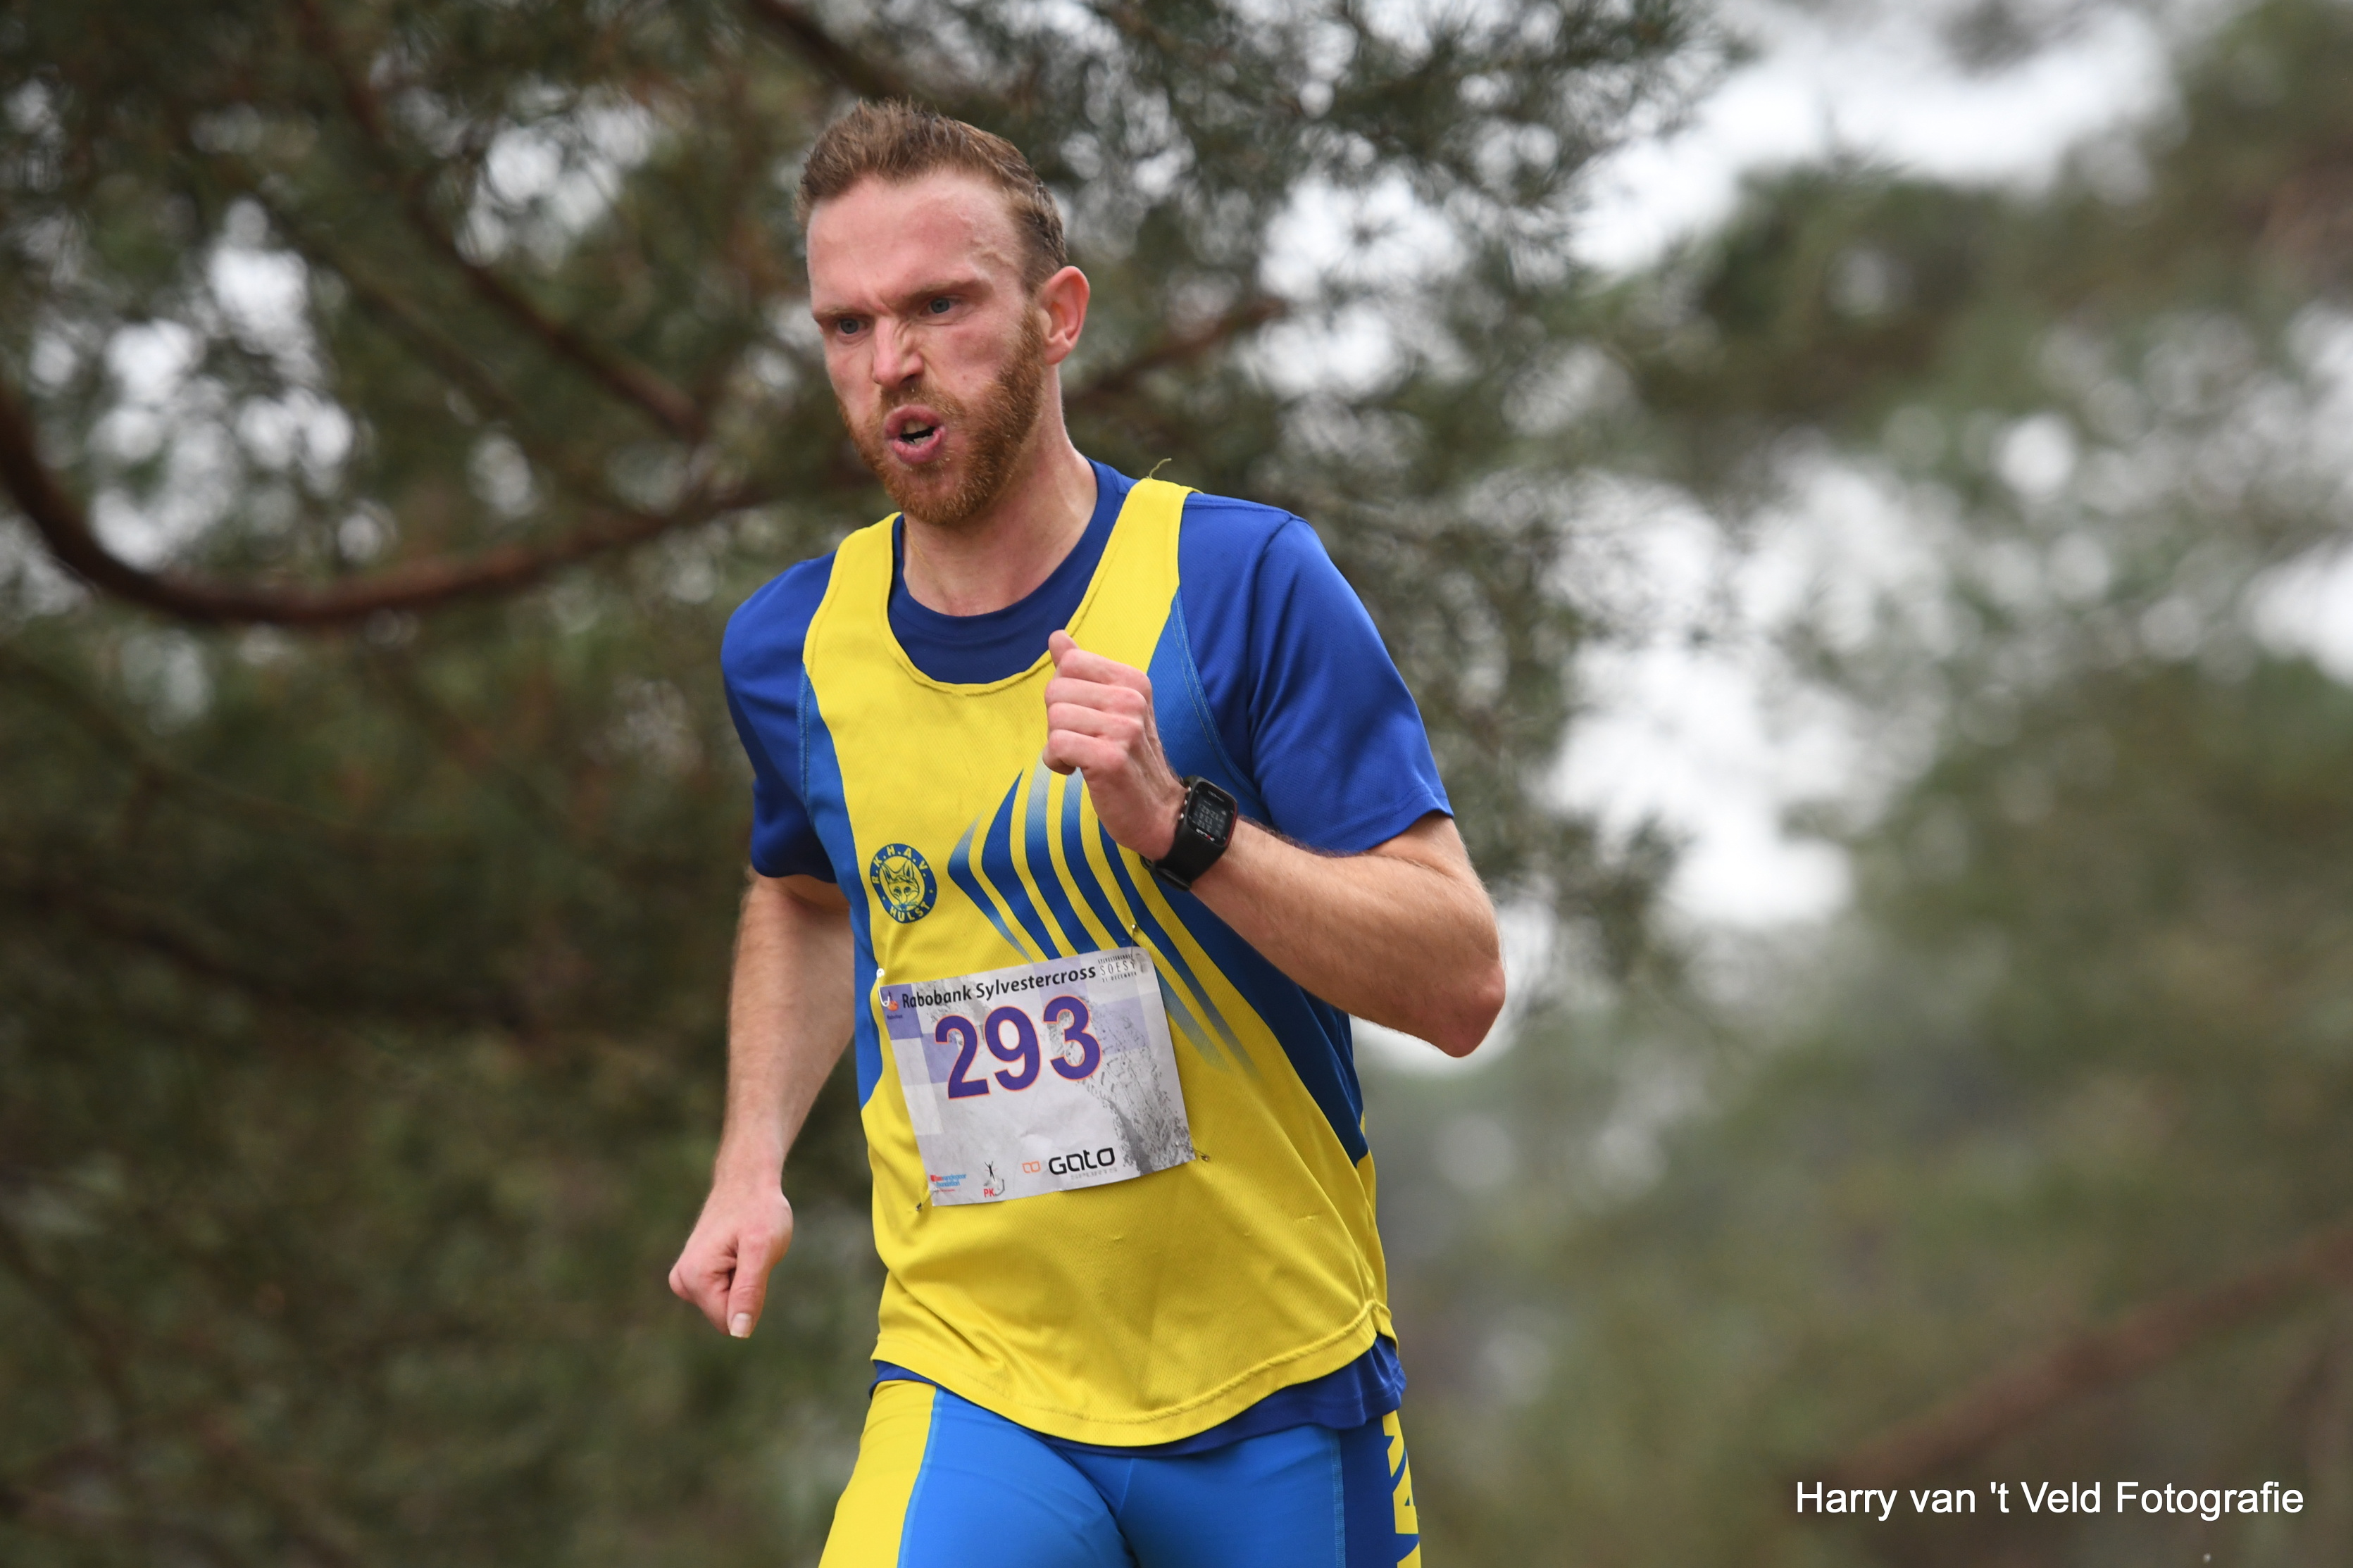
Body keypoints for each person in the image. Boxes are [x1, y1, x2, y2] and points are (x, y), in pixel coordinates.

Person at [670, 101, 1505, 1568]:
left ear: (1058, 316)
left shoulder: (1239, 582)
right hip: (975, 1379)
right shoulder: (794, 649)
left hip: (1276, 1395)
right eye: (849, 325)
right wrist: (750, 1160)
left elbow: (1460, 982)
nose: (893, 362)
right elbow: (803, 892)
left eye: (941, 306)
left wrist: (1184, 828)